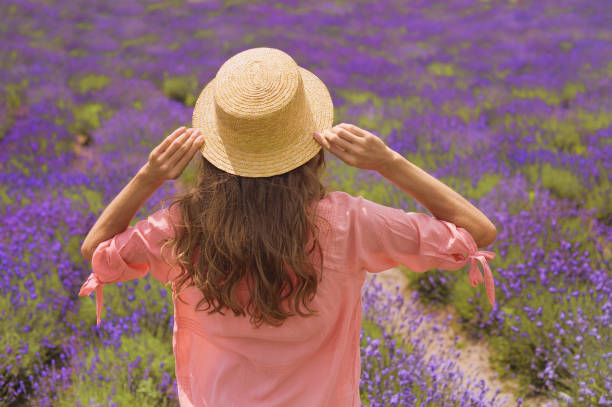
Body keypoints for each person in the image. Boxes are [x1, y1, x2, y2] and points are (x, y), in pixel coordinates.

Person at [78, 47, 497, 407]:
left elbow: (96, 253)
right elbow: (478, 233)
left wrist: (148, 178)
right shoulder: (349, 222)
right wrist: (389, 162)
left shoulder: (178, 227)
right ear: (312, 143)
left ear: (214, 147)